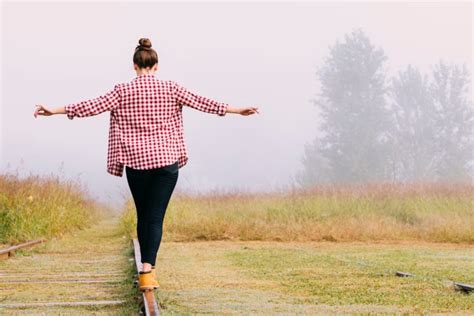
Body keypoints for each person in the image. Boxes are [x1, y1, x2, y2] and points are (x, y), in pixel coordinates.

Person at [33, 37, 259, 291]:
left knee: (144, 215)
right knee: (155, 218)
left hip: (136, 164)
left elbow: (89, 106)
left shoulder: (122, 90)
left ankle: (146, 270)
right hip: (166, 163)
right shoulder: (171, 88)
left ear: (134, 66)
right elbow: (203, 102)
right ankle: (147, 271)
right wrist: (238, 110)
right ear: (156, 66)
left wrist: (54, 110)